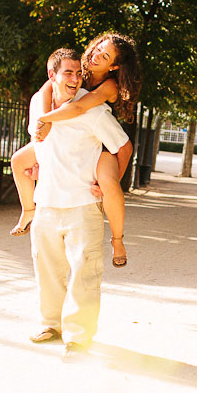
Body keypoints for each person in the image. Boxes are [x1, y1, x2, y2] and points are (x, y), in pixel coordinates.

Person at [26, 48, 133, 361]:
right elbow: (39, 145)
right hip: (45, 203)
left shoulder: (93, 110)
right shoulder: (39, 107)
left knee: (84, 273)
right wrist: (38, 166)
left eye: (77, 72)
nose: (74, 79)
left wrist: (110, 181)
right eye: (67, 73)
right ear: (53, 77)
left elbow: (123, 146)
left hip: (83, 206)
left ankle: (78, 337)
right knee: (46, 269)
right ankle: (50, 325)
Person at [9, 33, 141, 270]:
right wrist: (40, 140)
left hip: (99, 144)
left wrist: (48, 120)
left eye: (105, 55)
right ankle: (29, 210)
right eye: (98, 47)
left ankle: (118, 240)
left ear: (113, 66)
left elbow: (80, 107)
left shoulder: (109, 85)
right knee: (19, 161)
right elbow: (47, 88)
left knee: (110, 185)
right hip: (67, 138)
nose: (96, 55)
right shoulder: (78, 68)